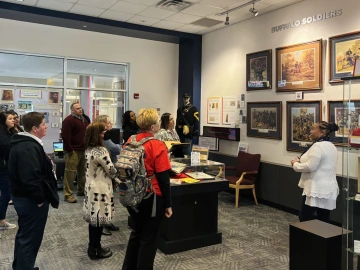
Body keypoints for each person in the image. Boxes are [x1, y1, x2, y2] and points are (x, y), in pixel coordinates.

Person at [122, 108, 173, 270]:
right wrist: (168, 204)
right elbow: (164, 179)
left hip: (132, 195)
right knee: (149, 239)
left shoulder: (131, 139)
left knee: (136, 233)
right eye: (157, 121)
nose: (159, 123)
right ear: (152, 127)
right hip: (152, 196)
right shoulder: (157, 145)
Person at [8, 112, 59, 270]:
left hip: (24, 198)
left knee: (25, 236)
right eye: (44, 124)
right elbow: (30, 179)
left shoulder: (27, 143)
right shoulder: (28, 147)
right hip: (30, 201)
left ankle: (22, 266)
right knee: (30, 239)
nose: (46, 126)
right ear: (35, 128)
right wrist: (39, 199)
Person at [291, 121, 339, 223]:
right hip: (328, 189)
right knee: (324, 219)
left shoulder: (317, 146)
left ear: (322, 132)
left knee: (304, 217)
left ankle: (307, 238)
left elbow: (310, 166)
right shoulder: (331, 146)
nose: (310, 132)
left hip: (315, 189)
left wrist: (295, 164)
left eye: (313, 129)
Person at [83, 122, 119, 260]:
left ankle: (93, 247)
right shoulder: (101, 151)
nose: (104, 135)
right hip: (101, 188)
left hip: (91, 187)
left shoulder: (88, 149)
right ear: (96, 134)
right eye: (102, 133)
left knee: (94, 221)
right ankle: (95, 249)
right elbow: (111, 170)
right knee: (98, 221)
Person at [94, 115, 121, 235]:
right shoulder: (103, 138)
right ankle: (101, 225)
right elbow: (115, 149)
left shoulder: (106, 136)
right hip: (104, 173)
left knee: (108, 198)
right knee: (103, 200)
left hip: (108, 170)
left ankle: (107, 222)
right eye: (109, 123)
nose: (111, 125)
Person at [61, 102, 90, 203]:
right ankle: (68, 195)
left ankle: (81, 190)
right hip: (73, 150)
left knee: (83, 172)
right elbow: (65, 136)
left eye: (80, 108)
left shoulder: (84, 119)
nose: (80, 110)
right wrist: (69, 150)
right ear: (72, 110)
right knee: (70, 173)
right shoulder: (68, 120)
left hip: (83, 149)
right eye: (77, 108)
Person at [0, 111, 17, 230]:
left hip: (7, 167)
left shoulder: (10, 132)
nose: (13, 120)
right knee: (6, 195)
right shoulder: (2, 135)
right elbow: (9, 149)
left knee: (6, 194)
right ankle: (1, 221)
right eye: (10, 118)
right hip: (3, 168)